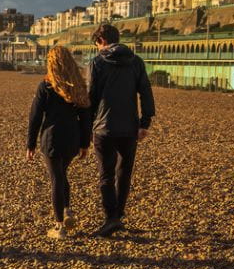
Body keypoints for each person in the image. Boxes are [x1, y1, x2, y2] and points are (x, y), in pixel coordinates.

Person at [88, 23, 156, 237]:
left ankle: (111, 218)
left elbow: (92, 97)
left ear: (101, 41)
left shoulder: (97, 62)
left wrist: (86, 126)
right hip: (129, 127)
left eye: (96, 44)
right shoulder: (135, 61)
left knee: (106, 174)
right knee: (124, 173)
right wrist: (145, 123)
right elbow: (145, 91)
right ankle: (118, 215)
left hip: (104, 128)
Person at [27, 46, 93, 239]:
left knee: (56, 178)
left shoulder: (46, 86)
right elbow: (86, 116)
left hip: (52, 138)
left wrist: (30, 144)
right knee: (62, 174)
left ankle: (59, 226)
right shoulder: (78, 86)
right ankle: (66, 210)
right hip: (72, 139)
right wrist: (84, 143)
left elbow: (35, 117)